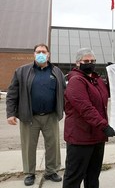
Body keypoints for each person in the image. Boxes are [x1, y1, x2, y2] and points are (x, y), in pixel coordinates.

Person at [6, 43, 66, 186]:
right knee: (29, 146)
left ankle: (51, 171)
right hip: (29, 117)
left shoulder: (56, 72)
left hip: (51, 116)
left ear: (48, 54)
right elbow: (12, 94)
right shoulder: (21, 71)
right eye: (38, 51)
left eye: (43, 51)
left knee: (53, 145)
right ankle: (29, 173)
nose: (41, 53)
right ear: (33, 54)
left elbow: (64, 92)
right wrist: (10, 113)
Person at [62, 48, 115, 188]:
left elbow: (108, 93)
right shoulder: (76, 81)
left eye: (92, 61)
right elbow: (85, 108)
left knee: (93, 176)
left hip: (97, 136)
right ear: (78, 63)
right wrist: (104, 126)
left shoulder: (96, 79)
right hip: (80, 137)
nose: (90, 63)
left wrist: (112, 75)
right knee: (74, 177)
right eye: (86, 61)